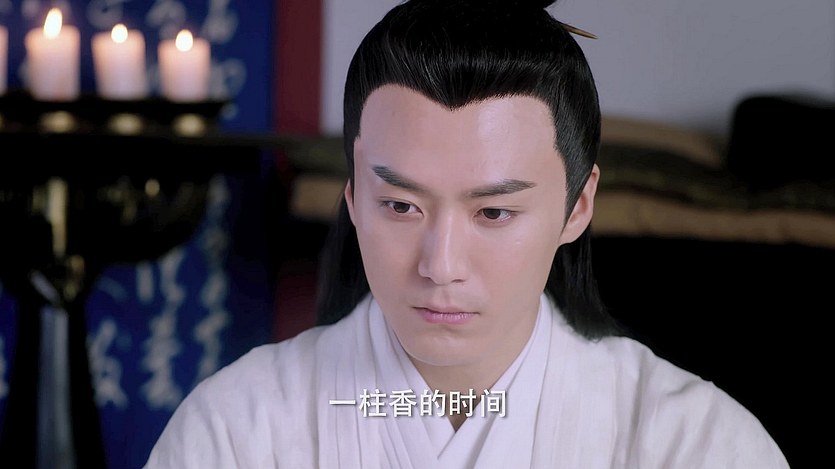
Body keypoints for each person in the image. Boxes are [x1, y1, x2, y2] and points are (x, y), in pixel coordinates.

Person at [144, 0, 790, 467]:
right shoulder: (235, 430)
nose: (441, 264)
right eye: (400, 205)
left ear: (577, 206)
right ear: (353, 195)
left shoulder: (693, 441)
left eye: (493, 213)